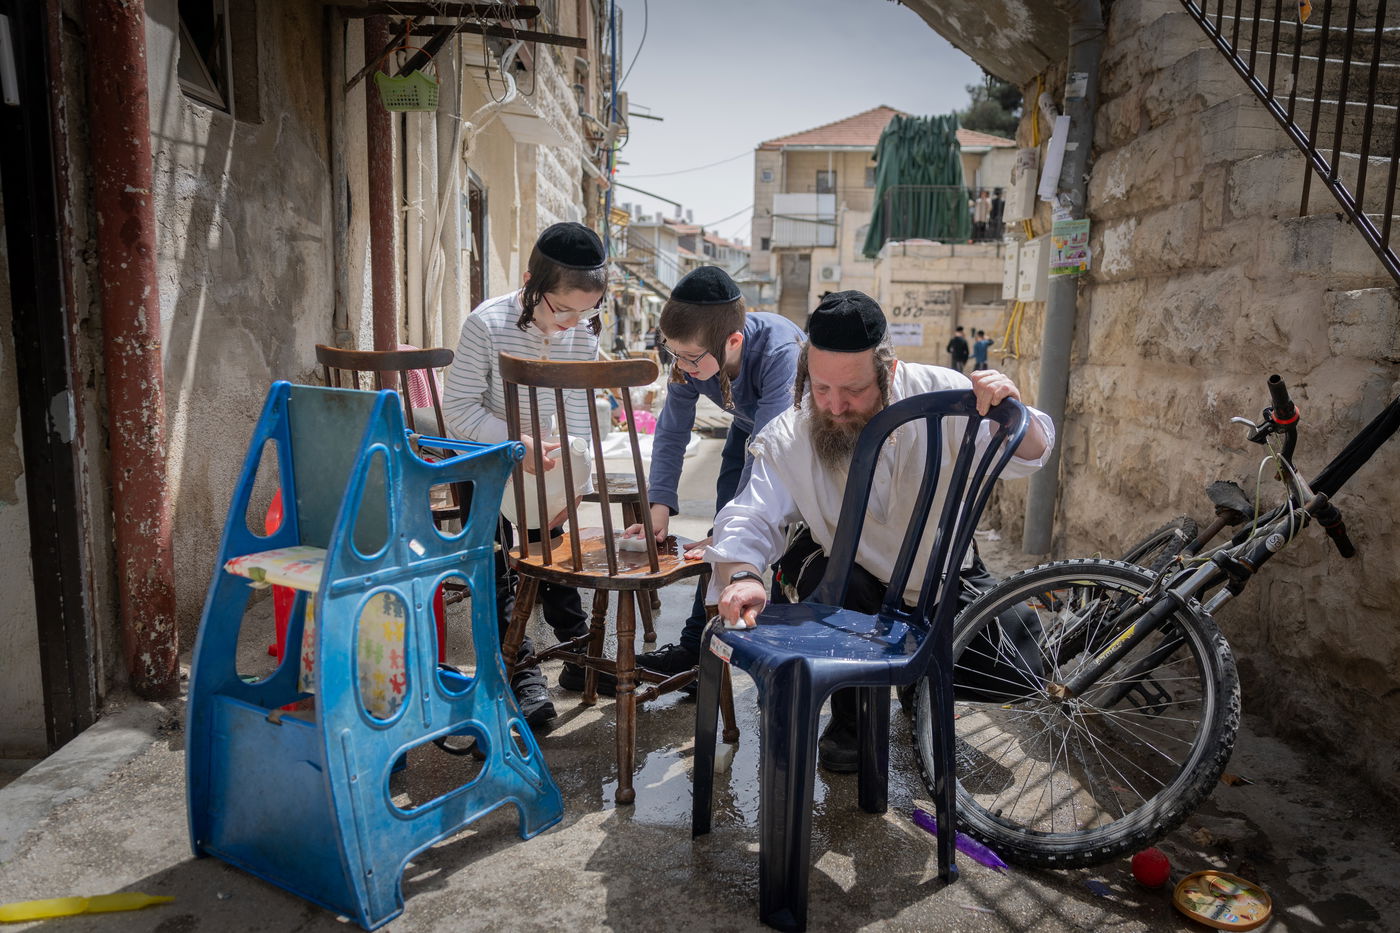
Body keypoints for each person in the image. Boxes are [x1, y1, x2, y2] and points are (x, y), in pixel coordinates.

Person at [704, 290, 1055, 772]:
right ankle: (851, 719)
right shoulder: (797, 425)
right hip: (848, 575)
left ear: (888, 372)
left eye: (853, 390)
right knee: (836, 590)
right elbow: (750, 513)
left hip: (939, 572)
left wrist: (1010, 406)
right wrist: (743, 573)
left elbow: (1029, 453)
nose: (834, 405)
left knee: (1019, 670)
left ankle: (921, 686)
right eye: (821, 387)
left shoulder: (941, 391)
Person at [442, 221, 609, 728]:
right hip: (486, 458)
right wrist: (517, 445)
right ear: (530, 281)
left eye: (589, 309)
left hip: (548, 466)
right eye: (563, 309)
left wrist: (575, 481)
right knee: (496, 564)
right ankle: (521, 673)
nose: (574, 322)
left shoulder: (582, 331)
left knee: (550, 547)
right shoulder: (486, 324)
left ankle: (578, 654)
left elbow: (580, 416)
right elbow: (460, 411)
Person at [625, 265, 803, 679]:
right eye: (673, 353)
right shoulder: (689, 359)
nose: (683, 366)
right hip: (747, 434)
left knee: (764, 544)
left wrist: (731, 530)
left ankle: (771, 654)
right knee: (718, 539)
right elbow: (671, 430)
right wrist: (659, 504)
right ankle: (697, 650)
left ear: (733, 341)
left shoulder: (781, 352)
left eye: (690, 358)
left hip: (796, 443)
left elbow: (768, 453)